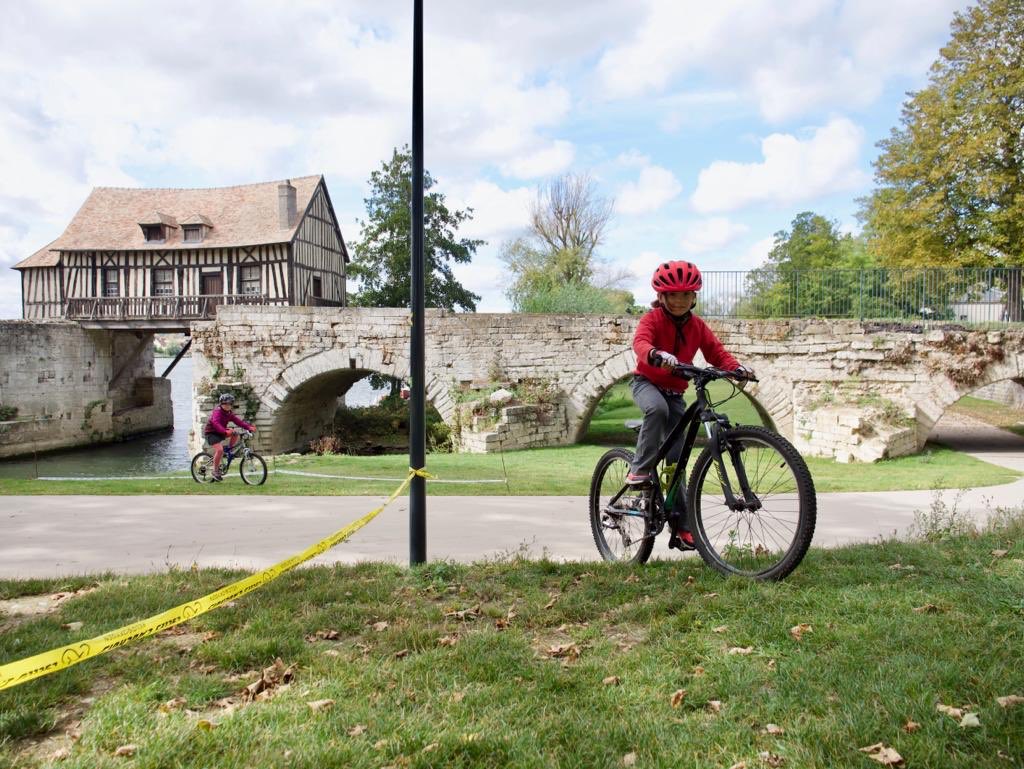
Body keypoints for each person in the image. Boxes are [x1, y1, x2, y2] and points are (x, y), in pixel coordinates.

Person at [628, 260, 752, 549]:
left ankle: (682, 527)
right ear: (662, 297)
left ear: (694, 297)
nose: (680, 300)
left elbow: (715, 352)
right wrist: (655, 353)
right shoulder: (652, 319)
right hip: (646, 383)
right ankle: (640, 469)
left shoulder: (697, 326)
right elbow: (640, 342)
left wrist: (736, 369)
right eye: (673, 295)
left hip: (675, 392)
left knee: (677, 461)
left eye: (686, 295)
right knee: (655, 409)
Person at [203, 393, 256, 481]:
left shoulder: (229, 413)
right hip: (211, 433)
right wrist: (225, 431)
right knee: (219, 450)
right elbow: (216, 424)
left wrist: (248, 427)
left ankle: (229, 450)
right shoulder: (217, 412)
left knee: (235, 433)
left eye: (230, 404)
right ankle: (215, 471)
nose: (228, 405)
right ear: (221, 404)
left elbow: (238, 422)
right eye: (225, 403)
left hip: (221, 432)